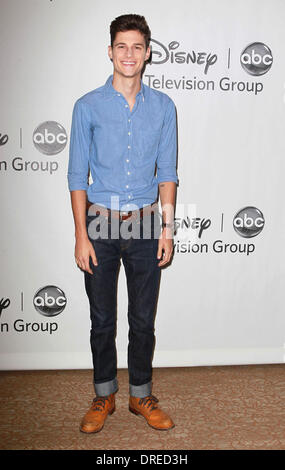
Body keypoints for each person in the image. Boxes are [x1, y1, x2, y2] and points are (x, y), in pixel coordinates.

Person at [67, 13, 178, 433]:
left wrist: (167, 228)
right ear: (110, 51)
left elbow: (167, 172)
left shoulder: (164, 107)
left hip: (147, 224)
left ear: (147, 53)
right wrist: (81, 234)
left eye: (137, 46)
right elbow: (78, 176)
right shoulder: (87, 106)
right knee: (102, 319)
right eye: (121, 46)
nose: (129, 54)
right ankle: (104, 395)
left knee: (143, 320)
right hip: (99, 223)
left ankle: (140, 396)